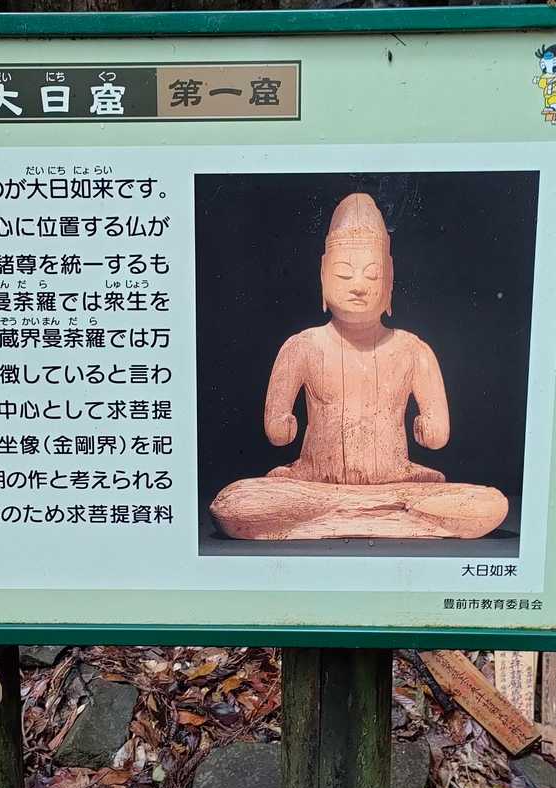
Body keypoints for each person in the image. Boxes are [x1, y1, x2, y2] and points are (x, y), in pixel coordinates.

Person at [209, 192, 508, 540]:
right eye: (344, 274)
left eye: (372, 274)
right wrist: (281, 425)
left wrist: (432, 430)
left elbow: (439, 435)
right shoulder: (301, 347)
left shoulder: (413, 350)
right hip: (313, 486)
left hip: (397, 487)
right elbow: (276, 429)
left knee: (489, 504)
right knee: (235, 505)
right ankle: (383, 519)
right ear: (323, 277)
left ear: (389, 280)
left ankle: (340, 517)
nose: (359, 287)